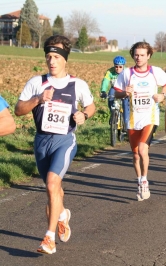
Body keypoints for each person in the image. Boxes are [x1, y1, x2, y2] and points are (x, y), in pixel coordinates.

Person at [14, 35, 96, 254]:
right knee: (53, 190)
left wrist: (83, 116)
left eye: (56, 56)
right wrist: (38, 99)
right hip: (41, 141)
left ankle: (49, 239)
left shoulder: (76, 84)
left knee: (52, 183)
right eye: (49, 56)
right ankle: (62, 215)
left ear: (65, 59)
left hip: (64, 141)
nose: (52, 61)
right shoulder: (36, 83)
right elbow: (19, 110)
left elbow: (91, 106)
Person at [114, 41, 166, 201]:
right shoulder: (127, 73)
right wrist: (124, 92)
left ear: (149, 56)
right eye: (136, 55)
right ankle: (139, 181)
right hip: (133, 119)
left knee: (142, 150)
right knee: (135, 155)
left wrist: (162, 95)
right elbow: (116, 93)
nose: (138, 58)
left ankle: (145, 180)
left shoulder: (155, 72)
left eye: (142, 55)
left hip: (150, 118)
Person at [100, 56, 130, 127]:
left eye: (120, 67)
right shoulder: (110, 72)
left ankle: (126, 123)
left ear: (123, 66)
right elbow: (106, 81)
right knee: (110, 96)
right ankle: (113, 114)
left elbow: (130, 82)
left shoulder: (127, 72)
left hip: (124, 90)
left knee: (125, 104)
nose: (118, 69)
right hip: (114, 89)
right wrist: (103, 91)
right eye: (116, 66)